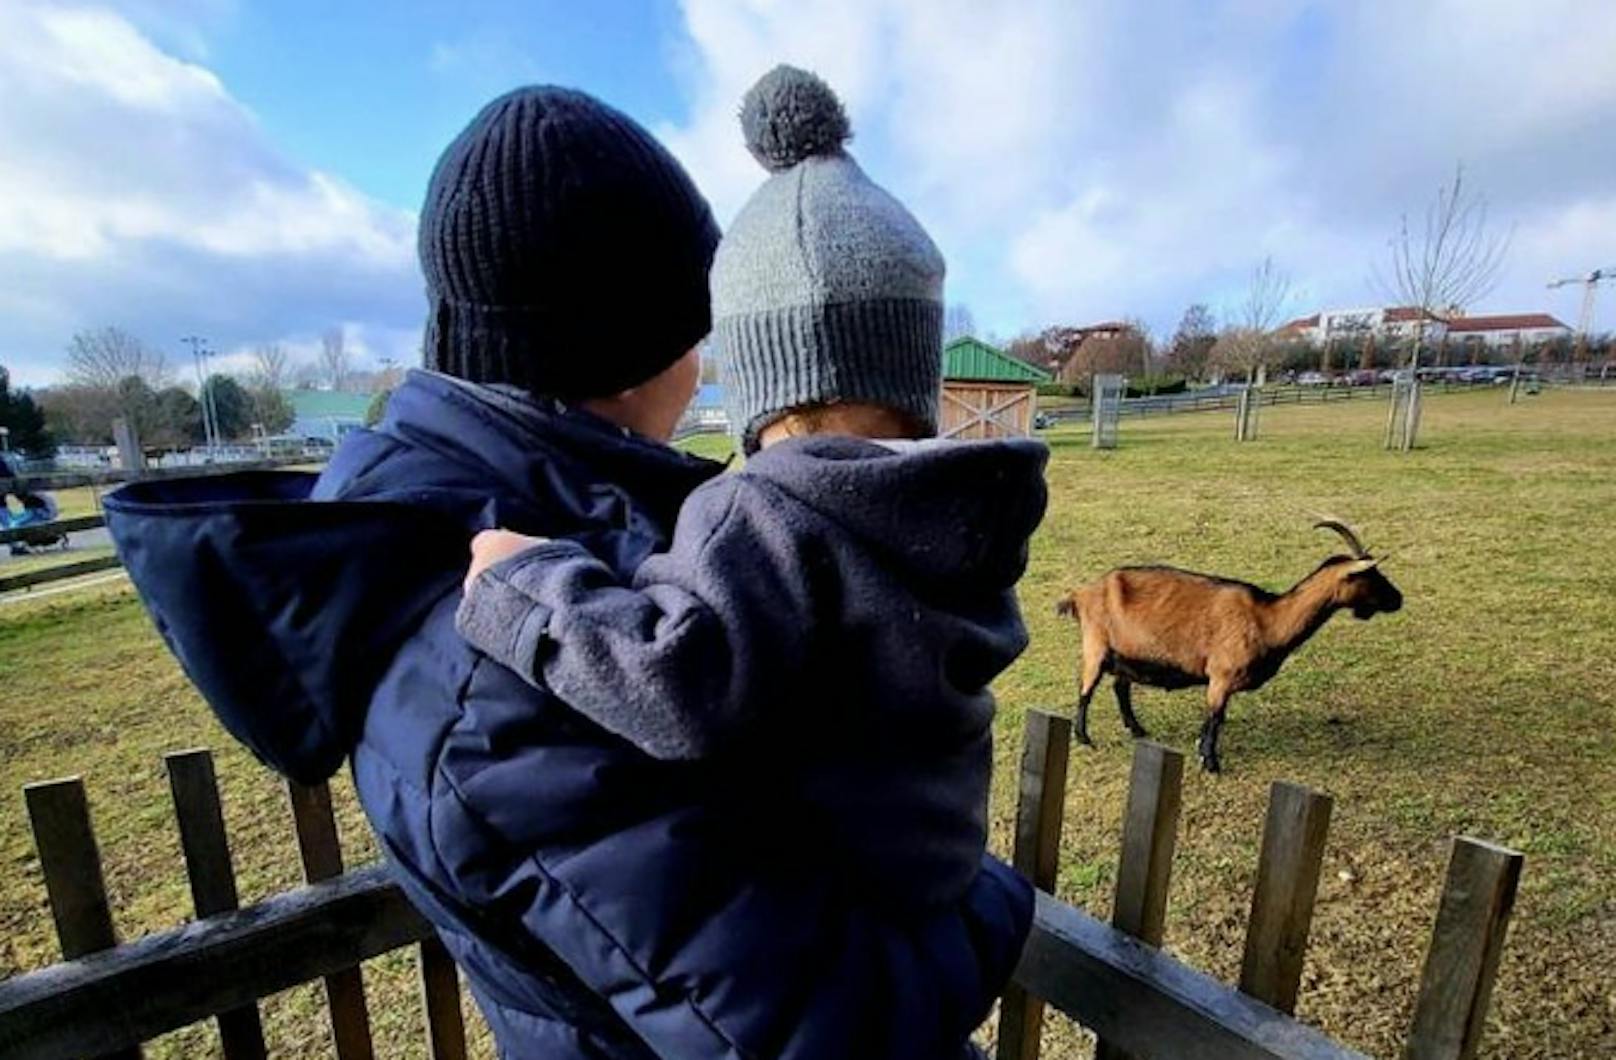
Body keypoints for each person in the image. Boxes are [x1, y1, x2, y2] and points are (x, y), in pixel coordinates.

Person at [106, 83, 1030, 1059]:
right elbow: (822, 1030)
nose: (709, 357)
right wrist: (987, 900)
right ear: (631, 358)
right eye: (698, 324)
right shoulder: (497, 661)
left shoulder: (560, 533)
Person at [457, 65, 1049, 918]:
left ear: (762, 377)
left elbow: (671, 680)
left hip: (814, 909)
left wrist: (524, 586)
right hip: (934, 887)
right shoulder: (969, 504)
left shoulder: (760, 512)